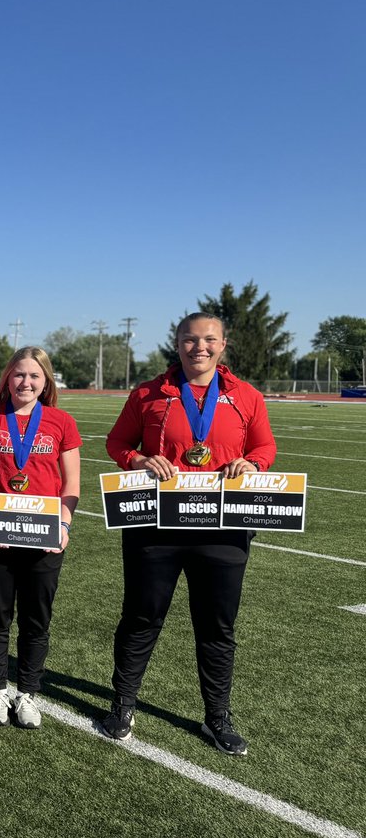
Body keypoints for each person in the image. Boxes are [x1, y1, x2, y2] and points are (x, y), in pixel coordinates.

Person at [101, 312, 277, 755]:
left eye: (209, 340)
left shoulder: (245, 395)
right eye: (190, 340)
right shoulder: (148, 393)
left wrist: (252, 464)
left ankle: (217, 715)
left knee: (217, 626)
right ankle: (123, 704)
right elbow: (117, 443)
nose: (199, 347)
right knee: (142, 616)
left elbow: (265, 446)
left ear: (223, 344)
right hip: (156, 525)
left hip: (222, 528)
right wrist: (139, 461)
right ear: (177, 343)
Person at [0, 347, 80, 729]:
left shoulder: (62, 422)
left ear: (45, 380)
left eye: (34, 376)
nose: (25, 382)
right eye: (18, 375)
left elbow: (72, 484)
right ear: (6, 379)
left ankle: (27, 692)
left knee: (36, 619)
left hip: (44, 536)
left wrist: (63, 526)